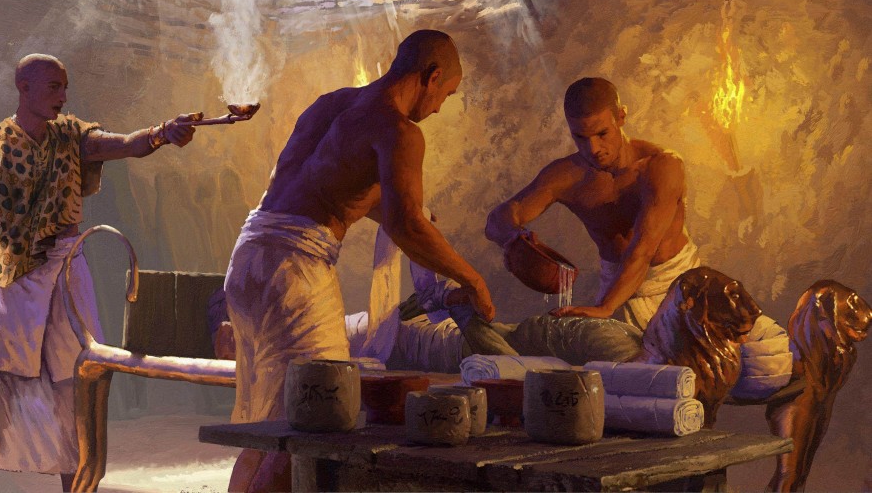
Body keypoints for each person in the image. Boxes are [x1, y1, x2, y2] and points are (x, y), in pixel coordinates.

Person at [223, 29, 495, 492]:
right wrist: (473, 280)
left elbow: (336, 189)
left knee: (270, 419)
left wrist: (417, 217)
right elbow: (405, 224)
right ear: (430, 77)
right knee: (312, 416)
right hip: (295, 271)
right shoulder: (398, 131)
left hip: (250, 258)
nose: (440, 106)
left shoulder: (331, 105)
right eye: (445, 94)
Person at [0, 53, 200, 492]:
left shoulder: (72, 136)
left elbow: (126, 144)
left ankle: (75, 488)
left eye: (65, 87)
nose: (63, 96)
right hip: (16, 274)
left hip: (67, 268)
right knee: (3, 378)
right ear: (24, 89)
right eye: (54, 87)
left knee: (75, 380)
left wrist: (162, 134)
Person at [485, 77, 697, 331]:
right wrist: (512, 239)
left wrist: (606, 308)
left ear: (621, 117)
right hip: (614, 292)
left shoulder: (661, 166)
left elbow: (644, 248)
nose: (593, 148)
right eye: (580, 137)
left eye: (601, 134)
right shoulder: (566, 175)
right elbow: (500, 218)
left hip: (673, 286)